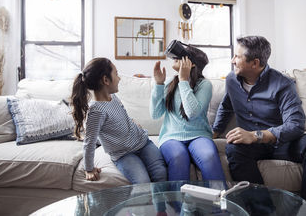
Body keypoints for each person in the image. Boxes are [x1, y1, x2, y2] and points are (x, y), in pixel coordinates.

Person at [212, 36, 306, 216]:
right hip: (252, 147)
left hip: (282, 143)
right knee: (233, 149)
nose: (232, 60)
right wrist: (214, 132)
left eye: (237, 56)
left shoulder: (282, 84)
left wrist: (256, 135)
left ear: (255, 63)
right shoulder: (231, 80)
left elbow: (296, 124)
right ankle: (265, 213)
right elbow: (226, 106)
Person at [71, 57, 167, 185]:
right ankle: (145, 205)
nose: (119, 78)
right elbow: (89, 142)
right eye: (116, 74)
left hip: (143, 142)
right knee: (142, 182)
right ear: (106, 80)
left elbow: (120, 117)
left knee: (161, 173)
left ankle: (162, 205)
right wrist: (89, 169)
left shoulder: (113, 96)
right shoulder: (96, 111)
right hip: (123, 154)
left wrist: (132, 124)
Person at [150, 44, 226, 182]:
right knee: (178, 157)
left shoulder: (204, 85)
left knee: (208, 155)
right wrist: (158, 84)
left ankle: (220, 201)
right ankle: (176, 203)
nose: (175, 58)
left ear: (191, 64)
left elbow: (192, 113)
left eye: (181, 57)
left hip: (199, 136)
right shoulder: (169, 84)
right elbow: (155, 114)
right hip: (171, 137)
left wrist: (183, 81)